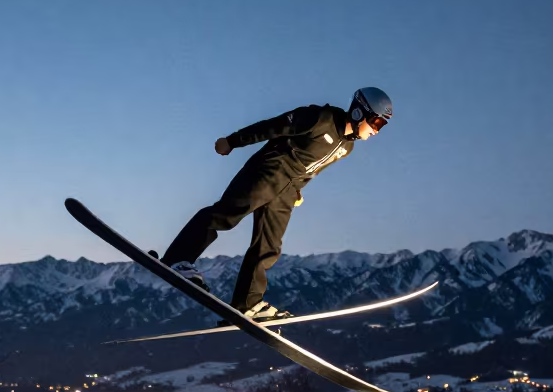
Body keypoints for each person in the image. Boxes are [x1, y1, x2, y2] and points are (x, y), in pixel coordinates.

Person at [160, 87, 393, 321]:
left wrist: (297, 190)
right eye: (376, 122)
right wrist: (233, 141)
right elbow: (273, 126)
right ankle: (178, 259)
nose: (376, 130)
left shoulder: (347, 147)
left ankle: (247, 303)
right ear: (358, 112)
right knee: (226, 214)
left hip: (287, 191)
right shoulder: (321, 118)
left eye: (381, 126)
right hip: (269, 170)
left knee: (268, 245)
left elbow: (313, 169)